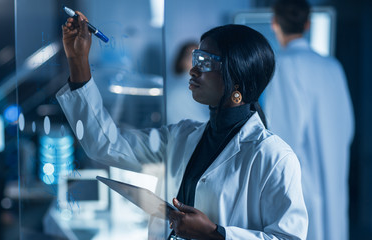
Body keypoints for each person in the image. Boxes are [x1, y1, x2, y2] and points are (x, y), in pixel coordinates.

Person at [57, 11, 308, 240]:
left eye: (206, 61)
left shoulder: (273, 157)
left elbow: (289, 238)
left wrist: (215, 234)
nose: (193, 70)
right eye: (196, 58)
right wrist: (78, 61)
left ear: (237, 81)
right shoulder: (182, 136)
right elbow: (104, 146)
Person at [262, 0, 355, 239]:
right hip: (334, 175)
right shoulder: (333, 66)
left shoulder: (283, 66)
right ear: (308, 24)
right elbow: (348, 128)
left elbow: (283, 138)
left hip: (303, 185)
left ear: (274, 23)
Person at [167, 41, 209, 124]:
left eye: (201, 57)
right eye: (192, 57)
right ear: (181, 61)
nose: (198, 62)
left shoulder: (203, 85)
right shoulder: (180, 91)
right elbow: (199, 125)